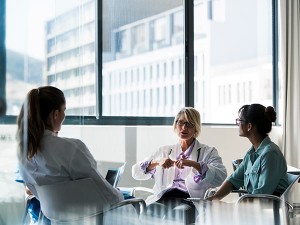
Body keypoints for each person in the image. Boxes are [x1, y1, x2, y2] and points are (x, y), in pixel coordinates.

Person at [16, 86, 124, 218]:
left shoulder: (23, 156)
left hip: (57, 219)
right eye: (64, 110)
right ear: (55, 114)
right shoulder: (72, 148)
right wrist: (119, 194)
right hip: (93, 218)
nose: (64, 115)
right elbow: (110, 197)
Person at [132, 107, 227, 223]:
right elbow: (136, 172)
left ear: (196, 127)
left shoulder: (208, 151)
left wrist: (194, 164)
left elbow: (220, 176)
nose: (183, 127)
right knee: (150, 212)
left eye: (189, 124)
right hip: (164, 198)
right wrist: (157, 162)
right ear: (175, 124)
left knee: (177, 216)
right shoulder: (164, 151)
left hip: (189, 200)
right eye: (180, 122)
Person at [207, 103, 289, 201]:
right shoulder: (251, 153)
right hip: (254, 209)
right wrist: (215, 198)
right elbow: (233, 180)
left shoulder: (270, 154)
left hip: (270, 212)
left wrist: (235, 207)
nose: (238, 124)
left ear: (249, 126)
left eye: (239, 120)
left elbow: (262, 195)